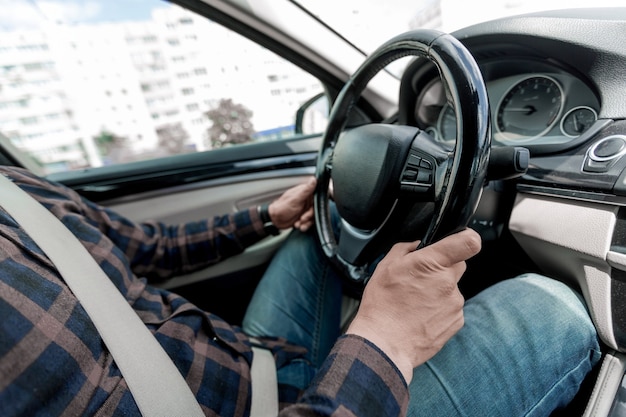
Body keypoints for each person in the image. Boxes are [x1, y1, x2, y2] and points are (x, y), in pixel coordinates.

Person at [0, 165, 600, 416]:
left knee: (322, 222)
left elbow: (142, 246)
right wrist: (386, 340)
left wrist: (268, 214)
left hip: (242, 360)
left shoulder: (10, 190)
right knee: (552, 312)